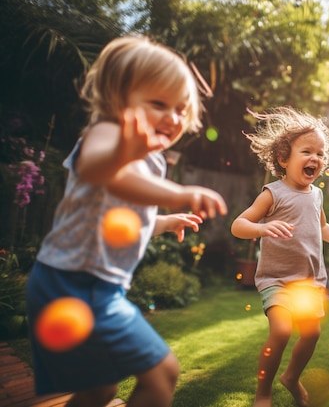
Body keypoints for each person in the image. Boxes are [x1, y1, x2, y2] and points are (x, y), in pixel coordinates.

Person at [25, 35, 228, 407]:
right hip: (74, 286)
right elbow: (101, 169)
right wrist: (174, 192)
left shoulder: (150, 160)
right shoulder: (107, 134)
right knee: (163, 374)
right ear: (119, 98)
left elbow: (118, 218)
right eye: (158, 104)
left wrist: (164, 222)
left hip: (87, 287)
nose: (173, 117)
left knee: (99, 390)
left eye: (181, 110)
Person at [231, 106, 329, 407]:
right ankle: (263, 394)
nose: (315, 159)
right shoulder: (273, 193)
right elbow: (239, 225)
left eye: (320, 154)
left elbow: (323, 228)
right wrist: (263, 228)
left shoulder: (316, 195)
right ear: (283, 158)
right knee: (280, 331)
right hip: (276, 280)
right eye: (307, 151)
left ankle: (291, 377)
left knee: (311, 333)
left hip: (308, 281)